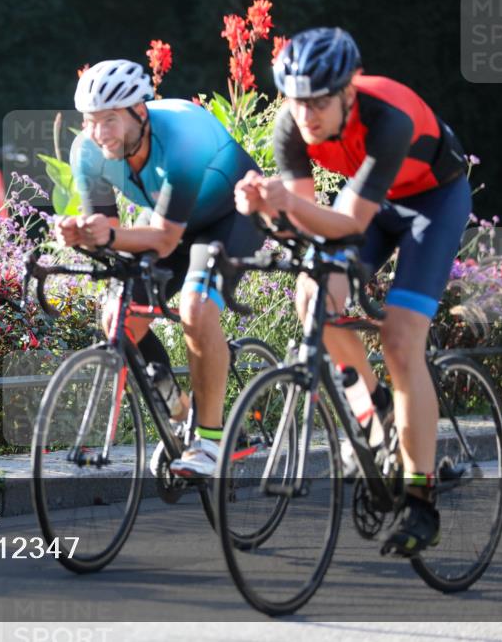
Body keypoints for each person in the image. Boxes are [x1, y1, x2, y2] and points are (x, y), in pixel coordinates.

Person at [234, 27, 471, 556]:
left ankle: (420, 497)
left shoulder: (388, 120)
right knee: (313, 297)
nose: (306, 115)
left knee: (401, 340)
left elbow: (343, 222)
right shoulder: (290, 127)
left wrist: (284, 204)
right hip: (370, 204)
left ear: (348, 91)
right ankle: (376, 411)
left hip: (431, 202)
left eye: (319, 102)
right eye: (296, 102)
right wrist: (267, 207)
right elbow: (310, 228)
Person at [54, 59, 264, 478]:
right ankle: (180, 410)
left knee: (197, 307)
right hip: (175, 225)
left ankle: (210, 442)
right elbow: (110, 232)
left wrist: (107, 237)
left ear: (140, 112)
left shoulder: (181, 138)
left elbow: (165, 240)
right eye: (91, 121)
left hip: (233, 217)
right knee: (120, 318)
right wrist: (82, 232)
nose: (99, 133)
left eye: (110, 120)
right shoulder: (87, 151)